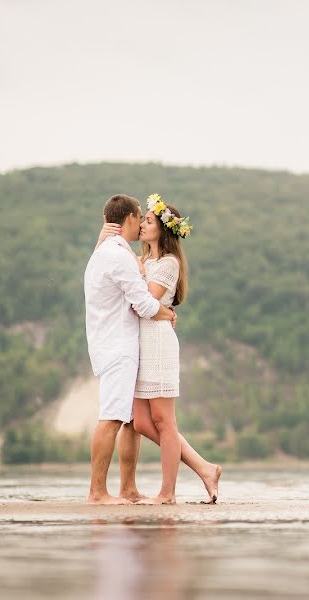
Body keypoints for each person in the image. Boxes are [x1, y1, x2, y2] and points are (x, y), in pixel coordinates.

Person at [97, 194, 221, 504]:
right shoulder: (144, 261)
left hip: (158, 342)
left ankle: (167, 493)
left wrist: (161, 309)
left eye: (149, 221)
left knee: (165, 421)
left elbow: (146, 303)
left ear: (162, 230)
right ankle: (203, 466)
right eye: (143, 219)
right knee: (139, 422)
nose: (142, 225)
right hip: (139, 344)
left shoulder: (168, 263)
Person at [84, 194, 177, 505]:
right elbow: (144, 304)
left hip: (111, 343)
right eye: (141, 217)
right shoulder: (120, 256)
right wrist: (169, 313)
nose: (142, 223)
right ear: (130, 219)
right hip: (118, 346)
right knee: (112, 417)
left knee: (127, 422)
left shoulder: (104, 252)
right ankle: (98, 492)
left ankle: (128, 489)